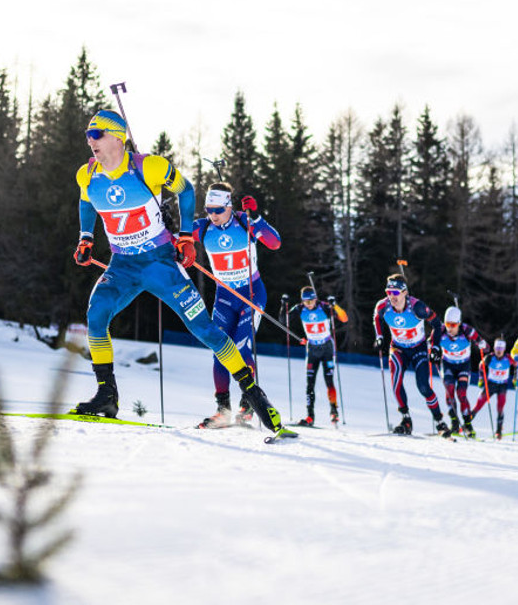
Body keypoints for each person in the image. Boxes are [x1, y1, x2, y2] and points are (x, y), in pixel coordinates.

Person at [70, 108, 291, 440]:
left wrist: (186, 236)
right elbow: (86, 202)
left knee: (205, 330)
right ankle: (107, 395)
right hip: (122, 265)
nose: (91, 141)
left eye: (96, 134)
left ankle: (255, 397)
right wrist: (86, 237)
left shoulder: (150, 166)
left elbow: (186, 190)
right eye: (88, 135)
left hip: (160, 264)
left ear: (118, 137)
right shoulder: (87, 174)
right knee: (96, 315)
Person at [191, 181, 281, 428]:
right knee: (219, 351)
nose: (213, 214)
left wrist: (259, 218)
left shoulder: (245, 222)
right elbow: (172, 238)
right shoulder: (203, 227)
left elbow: (274, 243)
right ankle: (223, 410)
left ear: (230, 206)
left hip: (251, 295)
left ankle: (248, 405)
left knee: (241, 348)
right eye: (209, 209)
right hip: (224, 296)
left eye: (218, 209)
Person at [373, 274, 452, 437]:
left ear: (404, 293)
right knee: (395, 384)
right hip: (398, 349)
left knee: (423, 385)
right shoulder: (383, 306)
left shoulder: (418, 308)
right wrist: (380, 337)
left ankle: (439, 421)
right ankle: (406, 419)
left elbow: (437, 325)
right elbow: (376, 317)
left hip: (418, 348)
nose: (391, 296)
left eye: (395, 293)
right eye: (388, 292)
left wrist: (436, 348)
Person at [291, 285, 348, 426]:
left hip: (327, 348)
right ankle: (310, 416)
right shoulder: (299, 309)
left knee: (329, 381)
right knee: (310, 384)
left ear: (315, 299)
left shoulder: (324, 307)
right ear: (302, 301)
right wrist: (283, 305)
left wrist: (335, 306)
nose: (309, 304)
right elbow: (283, 320)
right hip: (312, 349)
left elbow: (344, 318)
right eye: (306, 301)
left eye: (311, 300)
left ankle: (334, 412)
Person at [434, 305, 487, 437]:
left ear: (458, 323)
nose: (450, 328)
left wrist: (482, 345)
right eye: (447, 324)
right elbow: (430, 342)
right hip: (447, 364)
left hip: (463, 365)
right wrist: (430, 347)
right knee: (449, 392)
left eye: (453, 324)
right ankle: (454, 423)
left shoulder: (466, 330)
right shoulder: (440, 330)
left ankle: (468, 425)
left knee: (461, 394)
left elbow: (485, 346)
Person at [471, 338, 513, 439]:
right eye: (497, 348)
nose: (499, 351)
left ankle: (498, 431)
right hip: (491, 384)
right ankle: (466, 424)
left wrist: (515, 378)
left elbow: (517, 365)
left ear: (504, 349)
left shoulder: (508, 358)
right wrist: (481, 379)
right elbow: (481, 366)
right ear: (494, 348)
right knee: (479, 404)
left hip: (502, 386)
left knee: (500, 407)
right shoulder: (490, 358)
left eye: (501, 348)